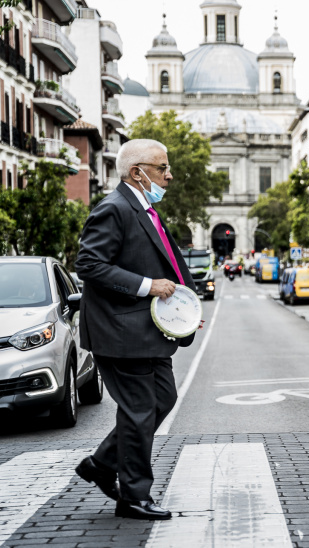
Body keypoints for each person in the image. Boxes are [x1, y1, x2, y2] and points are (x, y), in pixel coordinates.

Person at [74, 139, 196, 520]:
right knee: (140, 410)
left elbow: (171, 266)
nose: (169, 175)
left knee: (162, 399)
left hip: (148, 332)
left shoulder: (145, 209)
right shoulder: (114, 208)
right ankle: (133, 496)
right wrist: (148, 285)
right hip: (121, 333)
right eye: (162, 168)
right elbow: (89, 264)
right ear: (137, 172)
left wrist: (184, 309)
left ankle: (101, 463)